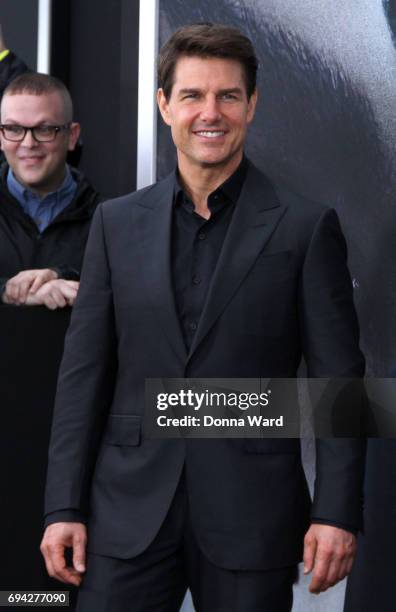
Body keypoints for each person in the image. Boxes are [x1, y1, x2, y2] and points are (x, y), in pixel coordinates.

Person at [40, 24, 366, 612]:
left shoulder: (305, 226)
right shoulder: (115, 225)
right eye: (191, 95)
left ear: (252, 105)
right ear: (164, 104)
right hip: (125, 514)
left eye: (227, 96)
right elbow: (81, 378)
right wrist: (63, 506)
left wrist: (337, 512)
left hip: (253, 515)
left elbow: (340, 385)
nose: (209, 112)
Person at [0, 71, 101, 309]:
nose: (28, 143)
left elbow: (128, 295)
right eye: (14, 129)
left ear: (71, 136)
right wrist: (8, 291)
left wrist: (62, 275)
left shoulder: (108, 220)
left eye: (44, 129)